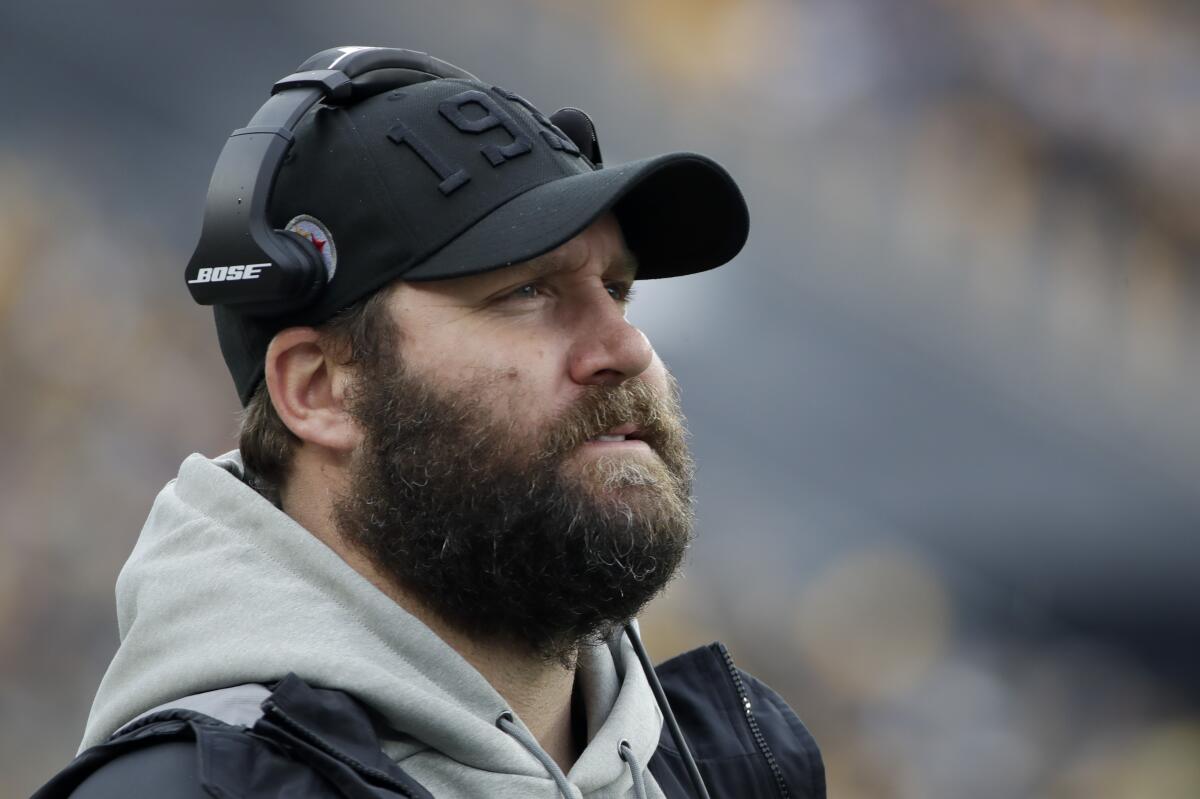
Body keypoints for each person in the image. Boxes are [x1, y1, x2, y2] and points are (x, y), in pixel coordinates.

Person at [35, 46, 825, 798]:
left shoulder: (740, 765)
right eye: (526, 292)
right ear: (318, 389)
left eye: (617, 290)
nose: (626, 345)